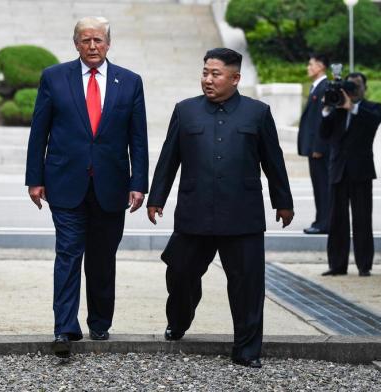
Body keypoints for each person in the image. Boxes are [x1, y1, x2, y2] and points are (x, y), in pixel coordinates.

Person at [147, 48, 294, 369]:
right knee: (180, 272)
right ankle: (180, 318)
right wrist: (156, 197)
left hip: (242, 216)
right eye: (205, 73)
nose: (208, 80)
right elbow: (169, 157)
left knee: (247, 285)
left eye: (215, 74)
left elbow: (274, 161)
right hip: (194, 212)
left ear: (235, 78)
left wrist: (283, 202)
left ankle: (246, 349)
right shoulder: (185, 111)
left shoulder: (257, 113)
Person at [25, 16, 148, 358]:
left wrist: (139, 183)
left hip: (112, 186)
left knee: (102, 256)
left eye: (98, 40)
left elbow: (138, 139)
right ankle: (64, 327)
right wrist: (34, 178)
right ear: (76, 43)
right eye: (86, 40)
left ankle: (99, 321)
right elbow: (40, 131)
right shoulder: (54, 77)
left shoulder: (130, 82)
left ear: (109, 43)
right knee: (68, 253)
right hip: (64, 182)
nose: (92, 46)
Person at [320, 72, 381, 277]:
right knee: (337, 219)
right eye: (350, 86)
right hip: (338, 169)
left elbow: (373, 123)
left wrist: (352, 107)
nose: (353, 90)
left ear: (364, 88)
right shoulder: (336, 107)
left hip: (361, 171)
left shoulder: (371, 108)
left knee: (362, 219)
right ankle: (337, 265)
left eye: (357, 86)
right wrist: (328, 109)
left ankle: (364, 265)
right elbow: (324, 134)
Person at [298, 54, 330, 234]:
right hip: (314, 149)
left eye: (310, 65)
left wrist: (318, 146)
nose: (308, 68)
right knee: (319, 186)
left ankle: (323, 223)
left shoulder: (325, 88)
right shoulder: (316, 87)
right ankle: (321, 220)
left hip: (320, 150)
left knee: (323, 186)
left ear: (320, 66)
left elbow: (322, 120)